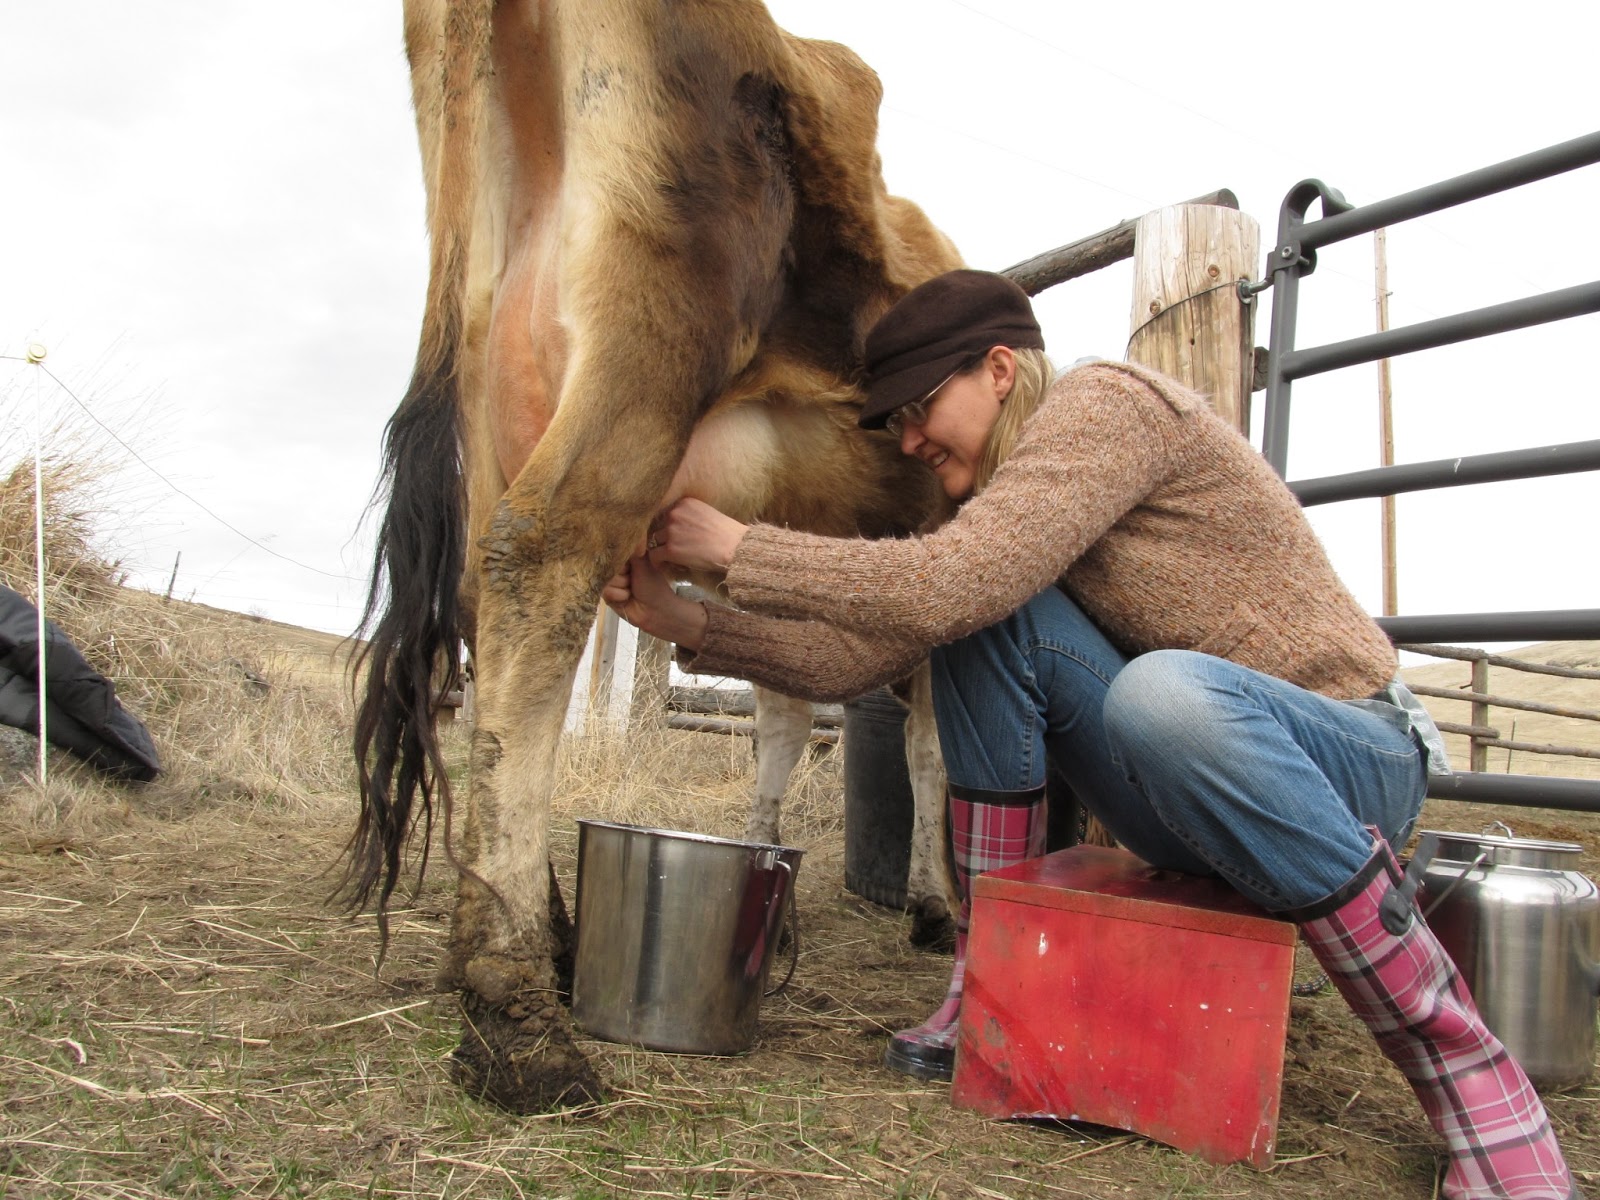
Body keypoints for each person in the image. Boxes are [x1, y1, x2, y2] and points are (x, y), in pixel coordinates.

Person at [604, 269, 1576, 1200]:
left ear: (997, 369)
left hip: (1351, 762)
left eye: (919, 409)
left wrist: (740, 547)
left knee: (1155, 689)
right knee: (991, 626)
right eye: (895, 421)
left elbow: (951, 581)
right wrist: (688, 619)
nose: (908, 440)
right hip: (1190, 794)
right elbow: (851, 663)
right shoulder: (1010, 506)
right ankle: (987, 979)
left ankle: (1465, 1069)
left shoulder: (1106, 405)